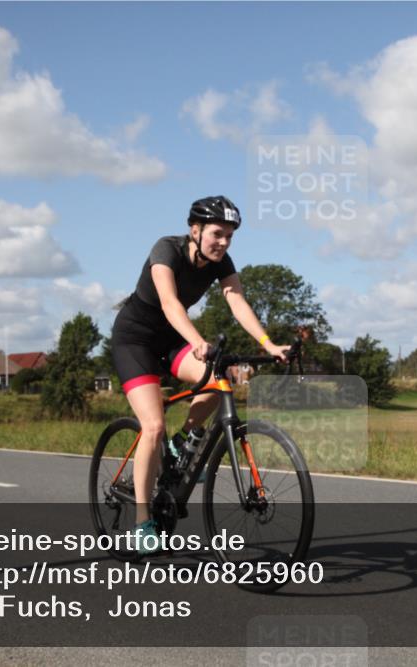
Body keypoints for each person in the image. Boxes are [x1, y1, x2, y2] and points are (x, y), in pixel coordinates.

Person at [111, 195, 291, 555]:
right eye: (217, 234)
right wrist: (196, 340)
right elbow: (169, 303)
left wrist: (268, 343)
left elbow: (237, 301)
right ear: (195, 230)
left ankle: (183, 443)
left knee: (216, 380)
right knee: (153, 427)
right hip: (135, 341)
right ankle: (142, 524)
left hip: (172, 340)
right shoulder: (166, 250)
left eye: (229, 236)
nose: (223, 242)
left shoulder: (220, 262)